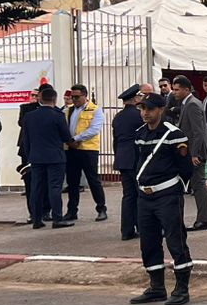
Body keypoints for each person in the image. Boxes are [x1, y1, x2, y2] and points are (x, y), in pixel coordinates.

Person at [128, 92, 195, 305]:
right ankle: (156, 287)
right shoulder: (140, 134)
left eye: (149, 109)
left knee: (176, 240)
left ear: (161, 109)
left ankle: (182, 288)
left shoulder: (174, 135)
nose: (145, 113)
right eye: (142, 109)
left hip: (167, 194)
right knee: (148, 241)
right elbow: (138, 162)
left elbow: (185, 168)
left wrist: (175, 189)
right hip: (145, 196)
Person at [19, 84, 75, 229]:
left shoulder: (29, 116)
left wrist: (30, 156)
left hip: (36, 158)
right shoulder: (58, 115)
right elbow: (65, 136)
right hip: (55, 158)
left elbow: (26, 140)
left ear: (40, 99)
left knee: (36, 188)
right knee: (54, 188)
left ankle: (36, 220)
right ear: (54, 100)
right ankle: (57, 218)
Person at [168, 76, 207, 230]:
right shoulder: (187, 103)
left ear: (187, 89)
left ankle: (204, 220)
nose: (174, 92)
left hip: (196, 153)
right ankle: (203, 219)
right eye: (173, 89)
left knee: (198, 185)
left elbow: (198, 132)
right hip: (192, 151)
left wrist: (194, 154)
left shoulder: (192, 104)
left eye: (177, 89)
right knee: (196, 185)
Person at [62, 84, 108, 223]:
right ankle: (72, 211)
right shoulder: (68, 110)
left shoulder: (95, 110)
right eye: (72, 97)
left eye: (77, 97)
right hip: (71, 149)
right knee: (72, 182)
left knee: (93, 180)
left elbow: (94, 130)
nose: (74, 99)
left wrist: (75, 139)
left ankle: (101, 209)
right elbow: (64, 128)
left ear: (85, 96)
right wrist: (69, 141)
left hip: (88, 150)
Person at [111, 84, 144, 241]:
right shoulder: (139, 115)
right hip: (136, 158)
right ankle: (142, 227)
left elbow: (116, 140)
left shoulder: (118, 117)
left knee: (128, 196)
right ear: (135, 98)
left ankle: (126, 230)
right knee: (141, 195)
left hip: (122, 159)